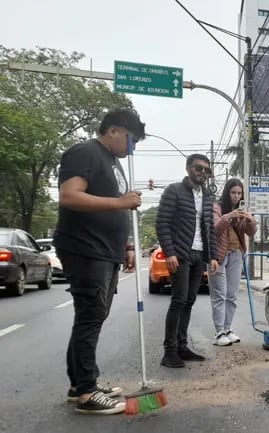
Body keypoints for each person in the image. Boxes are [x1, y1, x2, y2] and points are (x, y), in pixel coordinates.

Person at [54, 108, 145, 415]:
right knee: (91, 315)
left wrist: (127, 246)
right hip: (85, 249)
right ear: (114, 130)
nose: (132, 147)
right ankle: (86, 392)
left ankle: (78, 383)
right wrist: (121, 202)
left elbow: (115, 209)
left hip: (106, 251)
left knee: (93, 315)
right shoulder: (85, 153)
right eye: (131, 140)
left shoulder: (112, 162)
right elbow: (69, 196)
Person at [157, 154, 219, 368]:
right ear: (188, 169)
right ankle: (169, 351)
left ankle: (182, 346)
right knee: (179, 300)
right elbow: (162, 223)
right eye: (198, 168)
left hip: (198, 254)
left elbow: (209, 228)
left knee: (190, 301)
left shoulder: (208, 196)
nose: (202, 173)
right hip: (180, 253)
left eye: (206, 170)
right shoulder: (174, 191)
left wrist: (212, 256)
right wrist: (169, 252)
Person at [210, 178, 256, 346]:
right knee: (219, 294)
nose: (236, 196)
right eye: (233, 193)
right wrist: (229, 216)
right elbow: (215, 229)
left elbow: (251, 232)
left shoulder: (242, 209)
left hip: (237, 254)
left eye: (239, 193)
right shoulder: (217, 207)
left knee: (232, 295)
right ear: (227, 192)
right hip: (219, 255)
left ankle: (227, 329)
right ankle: (218, 332)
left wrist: (251, 219)